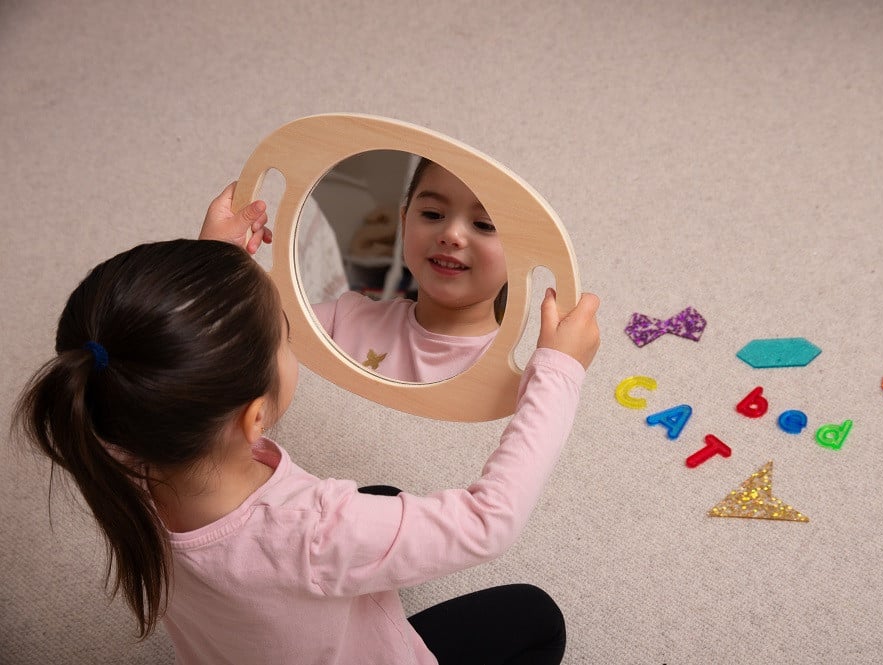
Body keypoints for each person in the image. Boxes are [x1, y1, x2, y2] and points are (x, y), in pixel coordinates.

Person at [13, 204, 601, 663]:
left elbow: (153, 361)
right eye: (285, 336)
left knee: (381, 498)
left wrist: (212, 264)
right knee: (536, 617)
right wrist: (557, 371)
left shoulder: (112, 435)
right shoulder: (316, 531)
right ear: (255, 417)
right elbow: (487, 523)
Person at [305, 158, 509, 383]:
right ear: (404, 224)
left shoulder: (514, 373)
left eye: (484, 225)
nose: (451, 234)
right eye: (433, 214)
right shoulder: (343, 319)